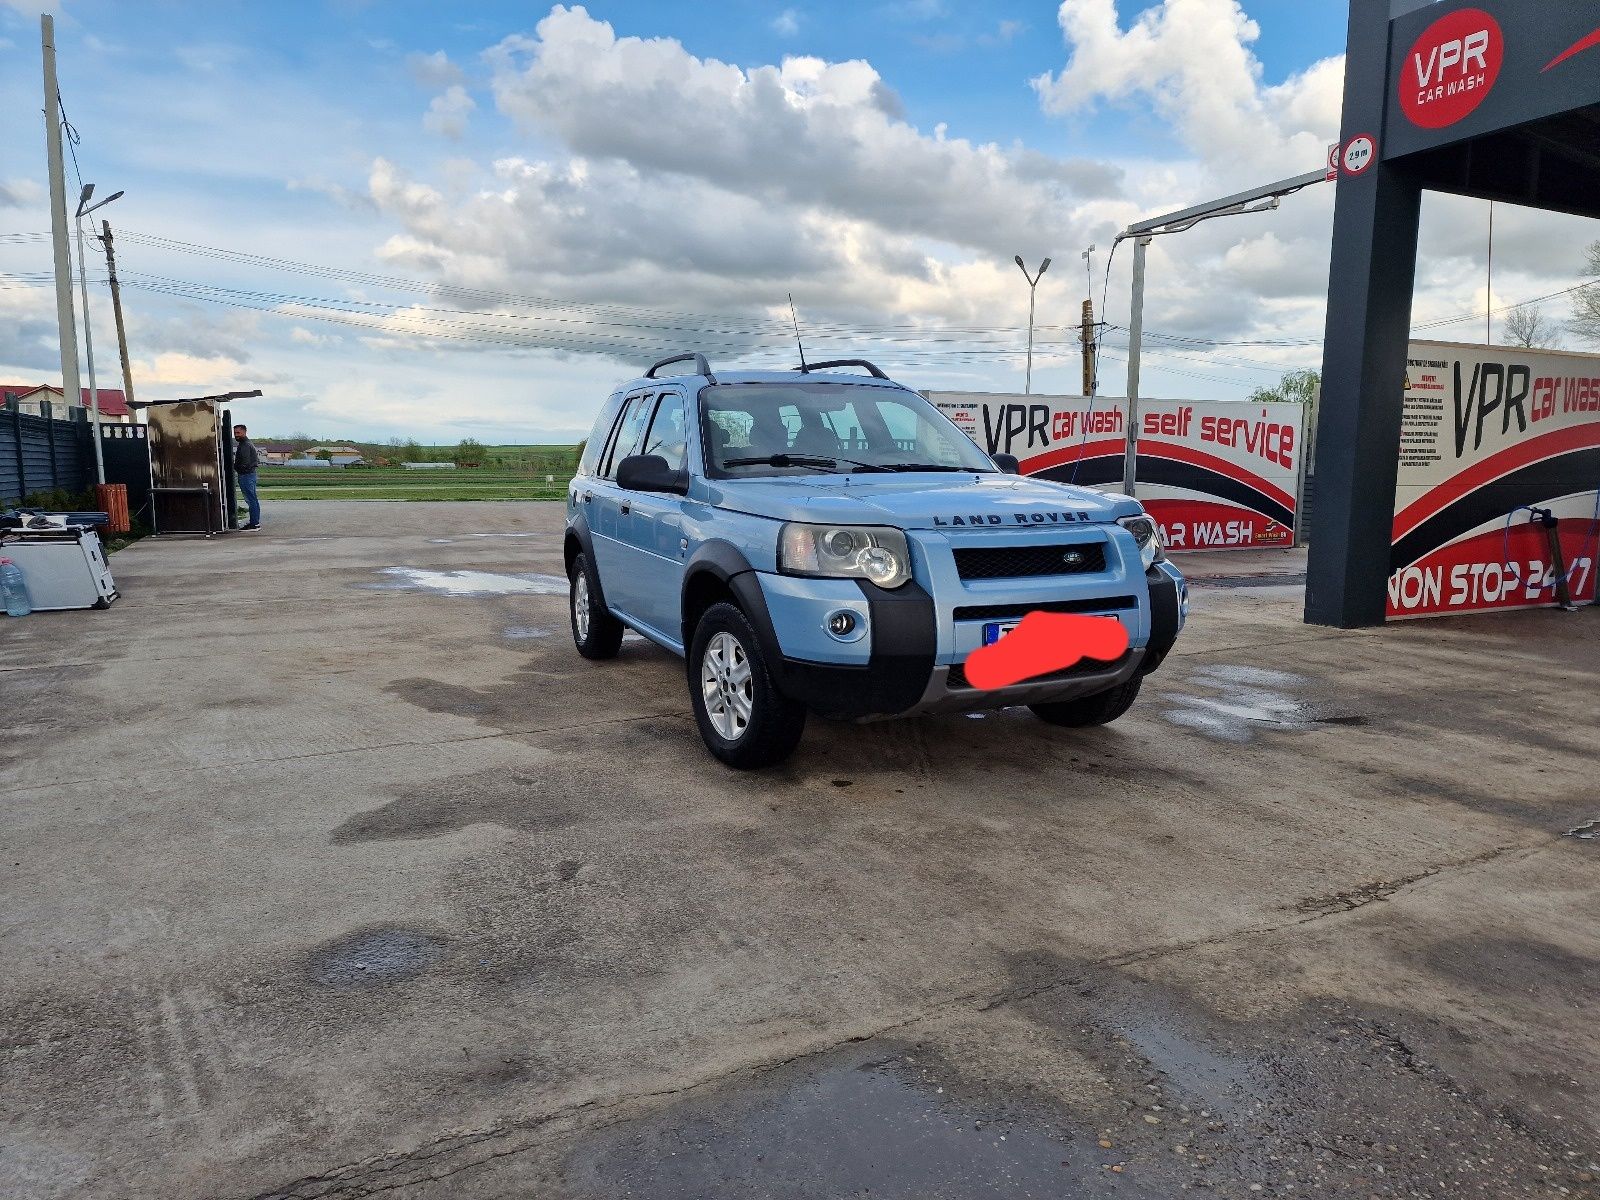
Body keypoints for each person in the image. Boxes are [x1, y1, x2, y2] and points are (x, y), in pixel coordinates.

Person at [234, 423, 261, 530]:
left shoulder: (245, 445)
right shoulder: (247, 443)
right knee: (252, 499)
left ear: (244, 432)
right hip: (249, 475)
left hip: (246, 475)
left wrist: (237, 469)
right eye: (235, 433)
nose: (236, 435)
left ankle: (254, 524)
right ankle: (255, 522)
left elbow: (245, 463)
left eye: (238, 432)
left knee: (251, 500)